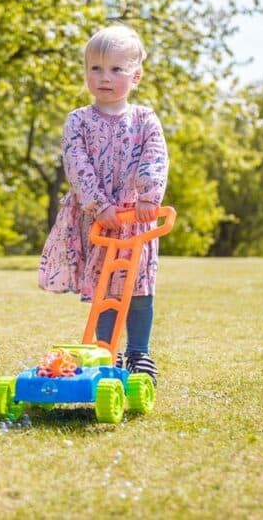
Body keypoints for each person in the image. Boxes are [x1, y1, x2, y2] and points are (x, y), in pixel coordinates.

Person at [38, 25, 169, 385]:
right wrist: (98, 205)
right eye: (95, 69)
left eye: (115, 69)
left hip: (135, 220)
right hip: (98, 221)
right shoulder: (78, 120)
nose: (104, 78)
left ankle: (139, 354)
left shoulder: (144, 120)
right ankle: (103, 351)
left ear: (136, 75)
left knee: (138, 287)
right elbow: (77, 165)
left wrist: (147, 196)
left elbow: (155, 158)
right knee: (106, 288)